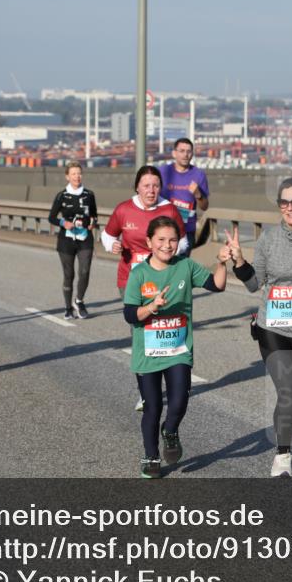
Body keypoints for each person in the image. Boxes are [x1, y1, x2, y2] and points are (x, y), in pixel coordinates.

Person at [225, 177, 292, 477]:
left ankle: (289, 431)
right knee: (288, 392)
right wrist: (239, 261)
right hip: (272, 326)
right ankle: (283, 455)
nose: (290, 208)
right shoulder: (269, 239)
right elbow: (253, 284)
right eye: (284, 202)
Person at [123, 216, 229, 478]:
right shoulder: (139, 274)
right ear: (149, 241)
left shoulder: (185, 266)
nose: (167, 245)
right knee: (153, 406)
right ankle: (150, 456)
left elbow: (216, 285)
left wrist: (222, 262)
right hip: (147, 354)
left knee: (179, 401)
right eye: (161, 240)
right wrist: (151, 307)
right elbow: (128, 314)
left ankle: (170, 431)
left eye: (172, 240)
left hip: (178, 350)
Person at [102, 166, 187, 412]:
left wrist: (165, 252)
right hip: (130, 279)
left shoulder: (169, 208)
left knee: (161, 329)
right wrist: (113, 246)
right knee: (140, 331)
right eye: (146, 185)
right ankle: (145, 392)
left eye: (155, 185)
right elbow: (108, 235)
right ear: (137, 187)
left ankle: (169, 380)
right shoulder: (123, 209)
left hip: (164, 280)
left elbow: (182, 241)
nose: (151, 190)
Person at [48, 161, 99, 319]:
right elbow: (51, 218)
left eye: (79, 173)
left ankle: (79, 301)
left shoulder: (89, 195)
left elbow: (94, 215)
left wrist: (93, 223)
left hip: (85, 239)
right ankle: (68, 307)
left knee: (84, 271)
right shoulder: (61, 196)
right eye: (74, 174)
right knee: (68, 275)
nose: (77, 176)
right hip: (66, 240)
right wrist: (64, 223)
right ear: (67, 177)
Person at [158, 137, 209, 256]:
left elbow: (204, 206)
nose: (185, 155)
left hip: (186, 231)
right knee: (162, 266)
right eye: (182, 151)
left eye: (189, 151)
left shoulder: (199, 175)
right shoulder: (163, 172)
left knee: (180, 269)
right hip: (163, 229)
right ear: (174, 153)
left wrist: (198, 194)